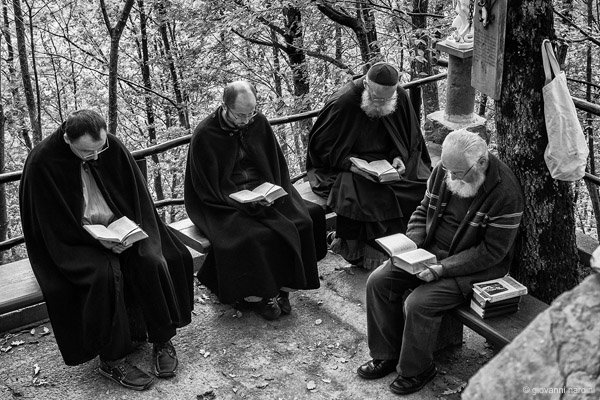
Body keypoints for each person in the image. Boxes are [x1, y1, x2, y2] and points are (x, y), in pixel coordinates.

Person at [19, 110, 194, 391]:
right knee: (102, 275)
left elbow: (137, 197)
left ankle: (162, 338)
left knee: (151, 258)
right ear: (67, 138)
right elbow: (48, 225)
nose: (96, 156)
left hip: (120, 228)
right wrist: (97, 242)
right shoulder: (42, 162)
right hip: (74, 242)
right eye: (87, 151)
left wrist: (128, 231)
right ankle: (112, 359)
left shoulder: (109, 146)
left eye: (100, 148)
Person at [356, 129, 524, 395]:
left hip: (471, 268)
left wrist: (442, 269)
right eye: (448, 170)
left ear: (481, 162)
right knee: (378, 281)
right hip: (428, 252)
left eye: (458, 173)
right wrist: (411, 245)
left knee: (419, 303)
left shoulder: (505, 192)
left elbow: (492, 252)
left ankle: (417, 370)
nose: (451, 178)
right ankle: (386, 354)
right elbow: (423, 209)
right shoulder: (444, 171)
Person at [184, 81, 323, 321]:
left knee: (302, 221)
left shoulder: (258, 122)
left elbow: (276, 165)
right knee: (250, 236)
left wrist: (271, 192)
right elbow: (205, 187)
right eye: (240, 115)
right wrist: (239, 201)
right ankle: (258, 296)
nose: (246, 120)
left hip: (263, 190)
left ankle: (283, 287)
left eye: (251, 113)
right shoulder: (205, 134)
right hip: (223, 200)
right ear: (225, 107)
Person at [306, 61, 431, 270]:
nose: (382, 103)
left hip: (389, 164)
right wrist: (352, 166)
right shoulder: (343, 102)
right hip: (348, 166)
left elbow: (410, 138)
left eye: (387, 99)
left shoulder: (399, 96)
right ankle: (366, 255)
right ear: (366, 84)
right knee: (364, 195)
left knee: (420, 186)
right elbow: (321, 149)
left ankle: (408, 246)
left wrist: (398, 157)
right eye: (377, 98)